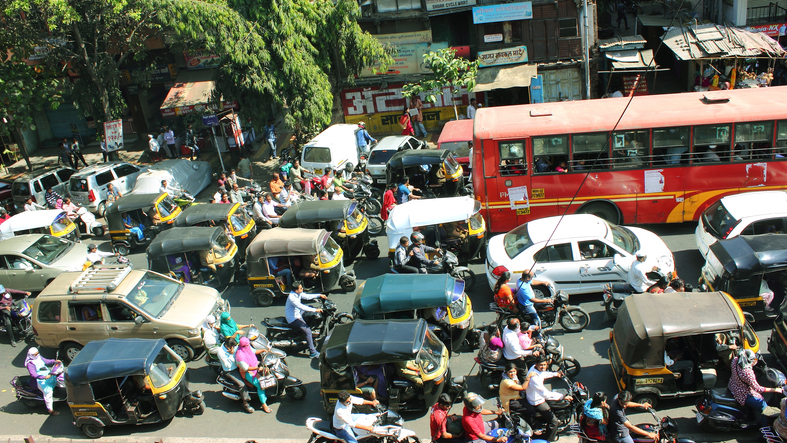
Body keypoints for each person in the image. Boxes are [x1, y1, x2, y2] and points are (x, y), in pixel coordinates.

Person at [729, 349, 781, 425]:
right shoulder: (747, 373)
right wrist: (775, 389)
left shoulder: (736, 360)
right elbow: (758, 389)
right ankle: (764, 427)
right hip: (743, 394)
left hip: (733, 385)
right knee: (764, 408)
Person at [526, 357, 571, 442]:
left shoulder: (535, 369)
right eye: (541, 365)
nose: (543, 367)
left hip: (538, 396)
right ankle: (549, 439)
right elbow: (546, 394)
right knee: (554, 422)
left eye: (544, 365)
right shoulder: (534, 378)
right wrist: (563, 396)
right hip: (537, 401)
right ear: (536, 364)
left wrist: (556, 374)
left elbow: (544, 374)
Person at [286, 281, 327, 358]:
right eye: (301, 288)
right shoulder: (292, 298)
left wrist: (319, 295)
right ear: (296, 290)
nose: (302, 289)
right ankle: (313, 352)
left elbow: (307, 296)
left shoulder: (298, 293)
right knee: (308, 331)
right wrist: (315, 310)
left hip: (298, 312)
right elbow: (301, 306)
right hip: (294, 318)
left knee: (310, 307)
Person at [217, 337, 255, 413]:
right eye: (233, 347)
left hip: (239, 366)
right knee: (242, 385)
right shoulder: (221, 352)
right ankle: (246, 404)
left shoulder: (233, 346)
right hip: (231, 371)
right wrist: (232, 355)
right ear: (228, 347)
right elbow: (228, 365)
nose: (234, 348)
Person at [235, 336, 272, 413]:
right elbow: (246, 368)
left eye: (248, 344)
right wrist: (257, 368)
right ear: (243, 346)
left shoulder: (247, 347)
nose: (248, 346)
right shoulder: (240, 355)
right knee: (260, 385)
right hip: (247, 372)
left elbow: (254, 351)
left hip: (254, 367)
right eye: (247, 345)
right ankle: (264, 404)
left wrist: (263, 350)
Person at [25, 348, 64, 415]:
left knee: (59, 379)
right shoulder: (30, 364)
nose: (37, 355)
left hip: (48, 374)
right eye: (35, 354)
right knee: (48, 393)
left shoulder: (38, 357)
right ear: (31, 355)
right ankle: (50, 410)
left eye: (37, 353)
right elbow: (33, 374)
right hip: (40, 380)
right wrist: (43, 377)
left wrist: (54, 361)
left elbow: (46, 361)